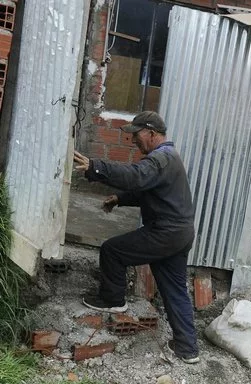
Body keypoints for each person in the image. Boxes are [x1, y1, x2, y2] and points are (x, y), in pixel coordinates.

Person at [73, 111, 200, 364]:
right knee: (175, 290)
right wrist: (120, 199)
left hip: (166, 232)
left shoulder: (160, 159)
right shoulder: (168, 158)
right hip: (181, 233)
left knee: (112, 250)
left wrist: (95, 167)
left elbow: (136, 176)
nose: (133, 141)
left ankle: (113, 300)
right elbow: (148, 190)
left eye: (136, 135)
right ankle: (187, 349)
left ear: (151, 133)